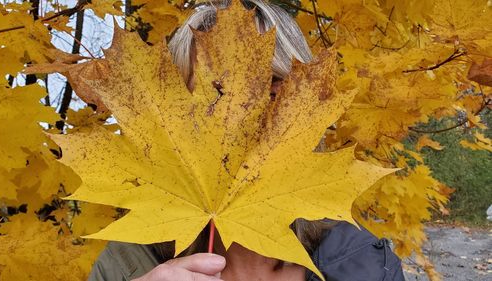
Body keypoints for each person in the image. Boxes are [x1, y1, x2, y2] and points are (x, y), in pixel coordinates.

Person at [88, 1, 405, 280]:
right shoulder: (127, 266)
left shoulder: (363, 263)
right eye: (215, 99)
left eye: (270, 94)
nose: (239, 121)